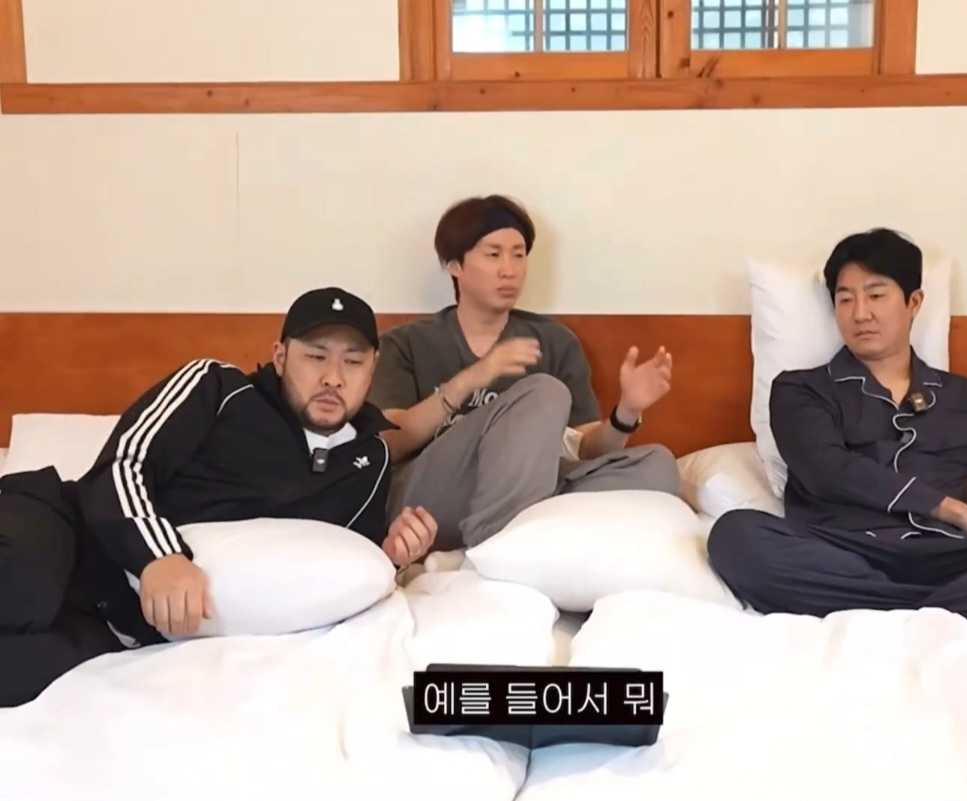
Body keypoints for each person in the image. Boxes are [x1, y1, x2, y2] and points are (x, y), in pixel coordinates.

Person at [0, 287, 437, 707]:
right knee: (24, 593)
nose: (333, 378)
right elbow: (121, 465)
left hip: (124, 625)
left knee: (25, 675)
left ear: (372, 368)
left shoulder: (369, 460)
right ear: (281, 357)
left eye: (353, 362)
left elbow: (331, 562)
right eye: (315, 356)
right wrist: (159, 556)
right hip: (64, 529)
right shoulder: (217, 387)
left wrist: (391, 554)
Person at [707, 228, 967, 637]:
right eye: (845, 299)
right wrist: (957, 510)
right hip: (845, 551)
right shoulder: (800, 390)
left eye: (876, 295)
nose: (860, 313)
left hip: (955, 558)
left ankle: (890, 611)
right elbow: (828, 470)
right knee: (735, 536)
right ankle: (945, 614)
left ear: (914, 302)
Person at [369, 194, 681, 551]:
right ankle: (498, 546)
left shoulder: (555, 341)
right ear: (455, 265)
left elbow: (585, 449)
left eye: (519, 255)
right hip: (430, 503)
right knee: (545, 392)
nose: (510, 270)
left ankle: (510, 537)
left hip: (530, 489)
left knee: (658, 467)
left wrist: (627, 412)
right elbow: (389, 443)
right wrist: (474, 377)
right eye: (493, 254)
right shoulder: (406, 343)